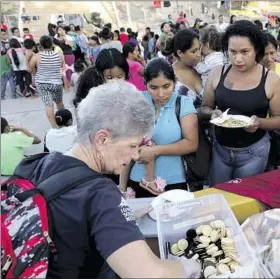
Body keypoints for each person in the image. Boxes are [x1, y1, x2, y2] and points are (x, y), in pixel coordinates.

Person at [12, 81, 201, 277]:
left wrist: (115, 217)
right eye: (132, 145)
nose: (136, 156)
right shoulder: (100, 193)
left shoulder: (34, 164)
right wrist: (187, 267)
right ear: (102, 139)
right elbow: (149, 273)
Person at [200, 20, 280, 185]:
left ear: (256, 49)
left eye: (244, 52)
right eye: (232, 52)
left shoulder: (270, 79)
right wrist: (212, 113)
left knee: (244, 199)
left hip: (254, 152)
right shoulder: (218, 73)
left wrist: (259, 122)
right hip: (220, 149)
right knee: (219, 197)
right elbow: (204, 108)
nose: (238, 58)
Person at [120, 58, 198, 197]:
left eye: (166, 86)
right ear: (146, 84)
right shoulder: (137, 102)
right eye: (154, 88)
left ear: (175, 82)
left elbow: (191, 143)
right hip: (138, 180)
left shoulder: (183, 103)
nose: (160, 94)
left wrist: (155, 151)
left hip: (173, 182)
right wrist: (122, 187)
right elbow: (124, 140)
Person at [29, 35, 65, 128]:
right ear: (51, 44)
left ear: (40, 45)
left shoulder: (37, 57)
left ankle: (54, 127)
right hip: (57, 83)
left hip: (42, 84)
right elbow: (61, 66)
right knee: (59, 102)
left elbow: (30, 69)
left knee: (49, 105)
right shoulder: (59, 55)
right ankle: (64, 124)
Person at [165, 29, 202, 106]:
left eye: (199, 49)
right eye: (194, 51)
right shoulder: (168, 76)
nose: (199, 54)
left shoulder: (203, 68)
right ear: (180, 53)